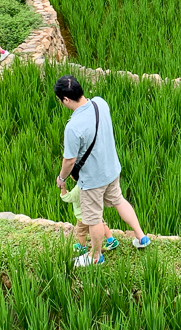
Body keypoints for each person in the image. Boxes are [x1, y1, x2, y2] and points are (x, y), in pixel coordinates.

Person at [54, 75, 151, 267]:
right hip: (112, 169)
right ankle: (141, 237)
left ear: (65, 99)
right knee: (119, 200)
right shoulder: (100, 103)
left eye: (60, 100)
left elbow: (69, 160)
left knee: (93, 219)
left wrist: (62, 178)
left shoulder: (72, 127)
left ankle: (96, 256)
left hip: (92, 180)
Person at [61, 176, 119, 255]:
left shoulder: (78, 189)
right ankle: (111, 240)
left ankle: (82, 247)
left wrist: (62, 188)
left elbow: (68, 198)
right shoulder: (94, 184)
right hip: (95, 212)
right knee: (102, 225)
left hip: (83, 216)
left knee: (81, 231)